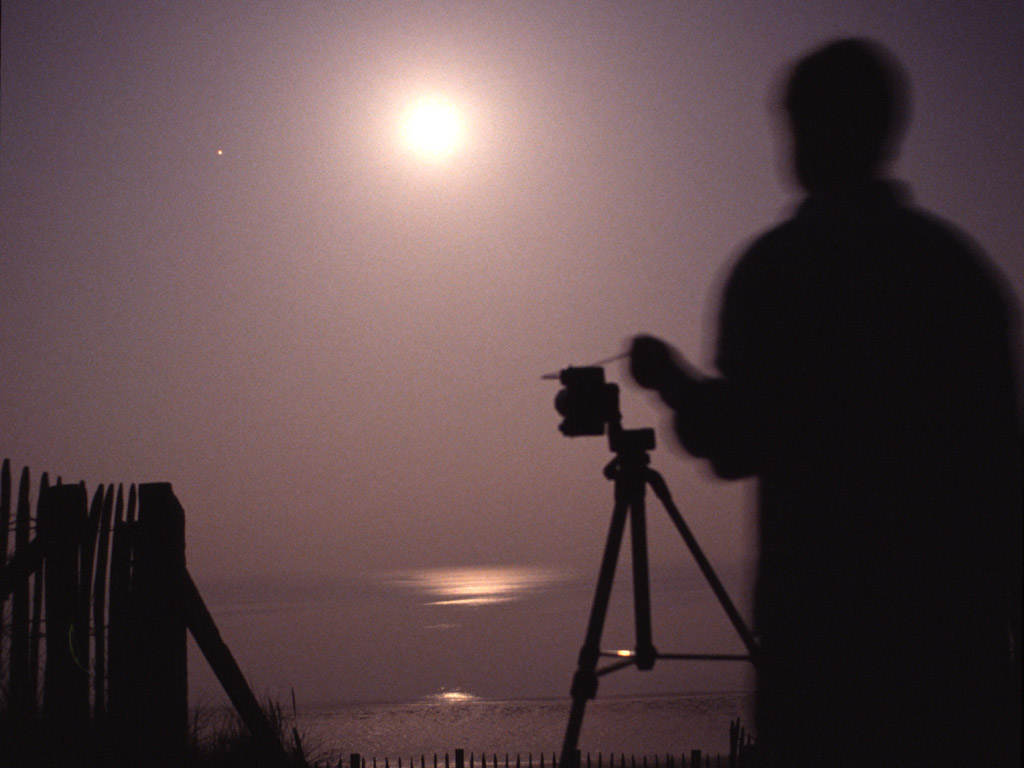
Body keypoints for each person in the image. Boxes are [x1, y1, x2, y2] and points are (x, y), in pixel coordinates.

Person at [629, 39, 1021, 767]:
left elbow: (739, 437)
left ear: (811, 128)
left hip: (823, 666)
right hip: (959, 663)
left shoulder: (778, 270)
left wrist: (669, 379)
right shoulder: (957, 271)